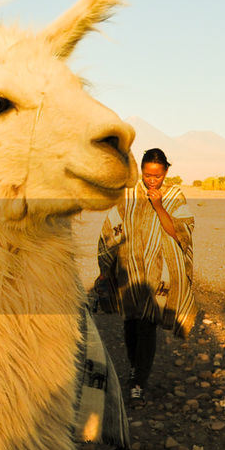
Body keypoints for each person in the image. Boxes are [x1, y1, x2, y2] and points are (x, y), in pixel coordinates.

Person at [95, 148, 197, 403]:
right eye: (148, 175)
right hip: (128, 271)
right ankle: (133, 368)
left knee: (147, 324)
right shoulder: (128, 194)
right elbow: (111, 229)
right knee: (130, 323)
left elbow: (179, 233)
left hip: (157, 274)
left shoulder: (174, 196)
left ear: (166, 173)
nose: (153, 180)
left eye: (158, 176)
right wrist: (105, 268)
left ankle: (139, 380)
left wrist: (159, 205)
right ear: (141, 170)